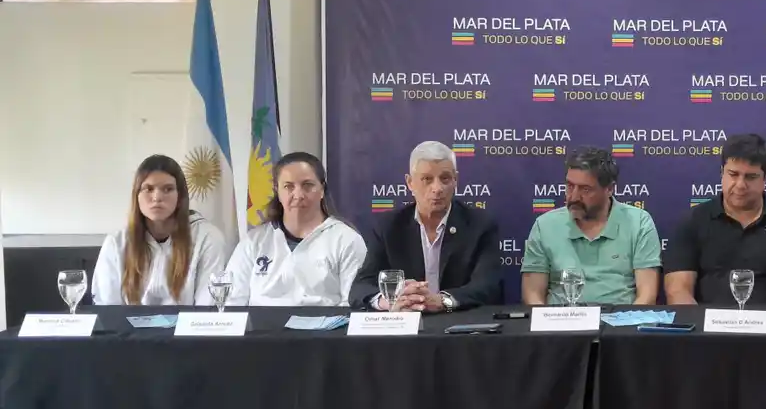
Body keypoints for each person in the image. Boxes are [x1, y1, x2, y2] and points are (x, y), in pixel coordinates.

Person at [664, 133, 766, 306]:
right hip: (709, 329)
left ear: (765, 178)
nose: (740, 185)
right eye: (733, 174)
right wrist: (702, 329)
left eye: (750, 177)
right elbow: (677, 290)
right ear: (722, 173)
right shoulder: (693, 222)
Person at [349, 141, 502, 311]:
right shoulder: (389, 226)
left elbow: (488, 286)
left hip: (459, 325)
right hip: (404, 324)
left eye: (445, 179)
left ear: (456, 180)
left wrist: (443, 301)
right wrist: (390, 301)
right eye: (427, 179)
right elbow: (360, 288)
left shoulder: (480, 224)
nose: (437, 188)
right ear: (410, 183)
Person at [521, 147, 661, 305]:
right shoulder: (545, 225)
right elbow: (533, 294)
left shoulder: (639, 222)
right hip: (560, 324)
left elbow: (647, 295)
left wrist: (625, 326)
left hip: (620, 322)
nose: (573, 197)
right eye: (569, 186)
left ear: (609, 189)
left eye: (585, 189)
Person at [224, 152, 368, 306]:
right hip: (261, 329)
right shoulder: (254, 241)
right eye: (288, 186)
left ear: (322, 190)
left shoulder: (346, 239)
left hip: (325, 329)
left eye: (307, 185)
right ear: (277, 191)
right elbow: (232, 302)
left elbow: (353, 303)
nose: (298, 194)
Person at [93, 155, 230, 306]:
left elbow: (207, 308)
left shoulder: (207, 238)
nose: (157, 197)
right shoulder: (116, 242)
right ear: (136, 195)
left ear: (180, 195)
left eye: (168, 189)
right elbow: (107, 308)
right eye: (148, 189)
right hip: (128, 329)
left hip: (187, 329)